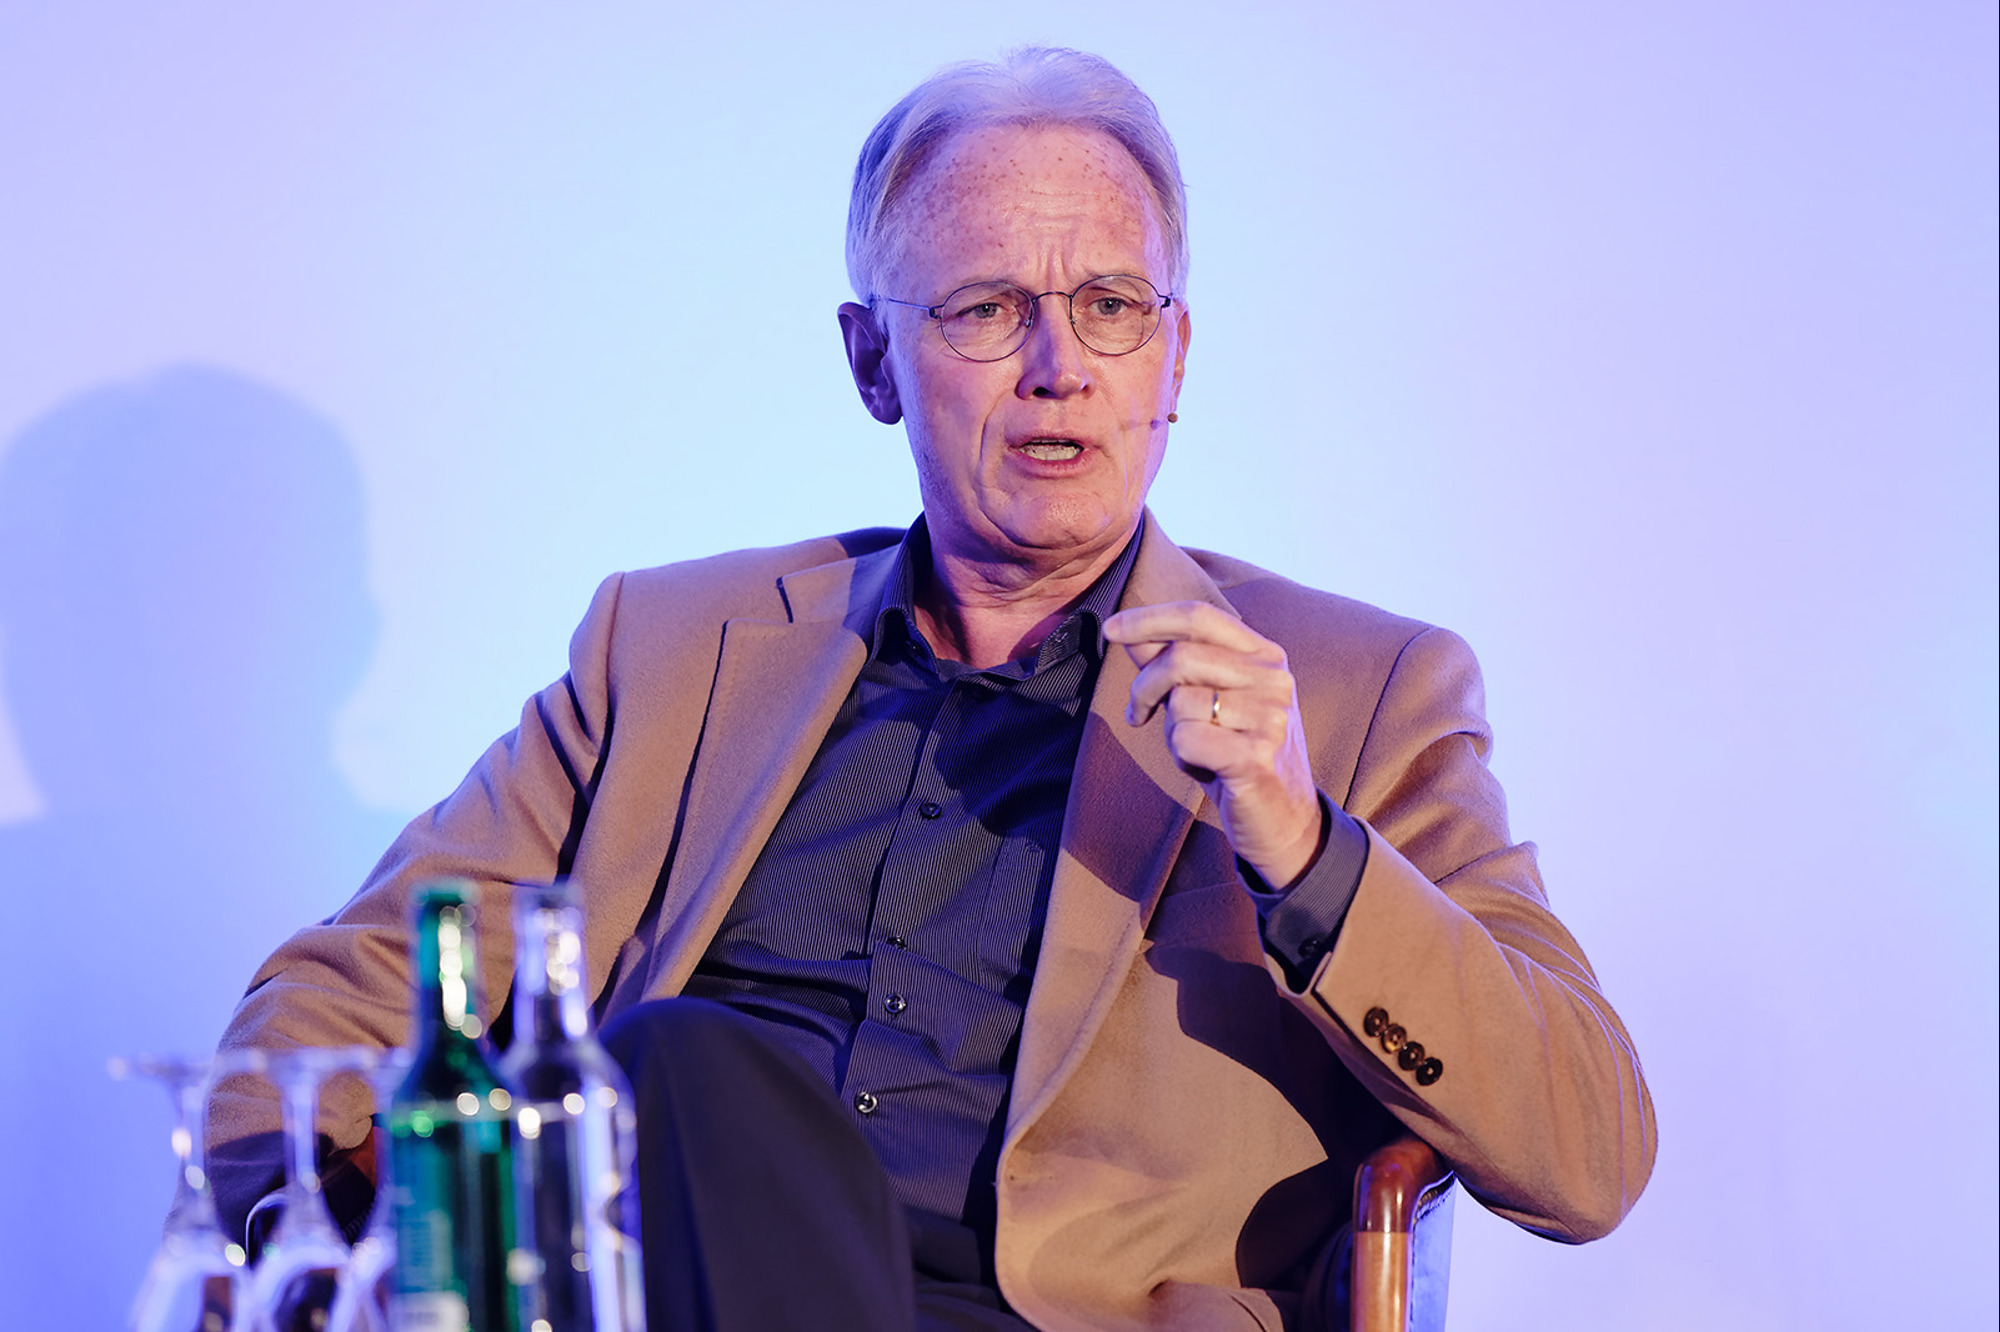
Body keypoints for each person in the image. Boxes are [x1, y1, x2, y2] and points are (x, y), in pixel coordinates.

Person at [207, 46, 1656, 1332]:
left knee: (664, 1065)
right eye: (985, 309)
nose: (1057, 368)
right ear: (873, 362)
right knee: (675, 1070)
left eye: (1110, 306)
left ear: (1173, 356)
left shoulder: (1358, 694)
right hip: (659, 1289)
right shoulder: (676, 651)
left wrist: (1306, 848)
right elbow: (344, 994)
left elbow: (1588, 1152)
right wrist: (317, 1245)